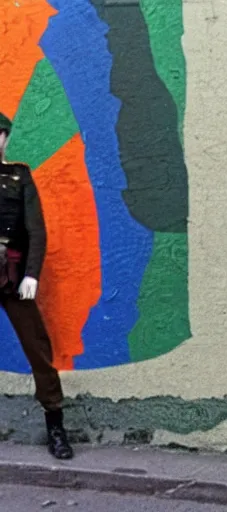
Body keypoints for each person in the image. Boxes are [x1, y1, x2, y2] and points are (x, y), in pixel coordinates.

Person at [0, 112, 73, 460]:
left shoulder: (20, 176)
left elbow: (36, 230)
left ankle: (55, 426)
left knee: (38, 348)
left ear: (4, 139)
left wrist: (31, 274)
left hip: (11, 274)